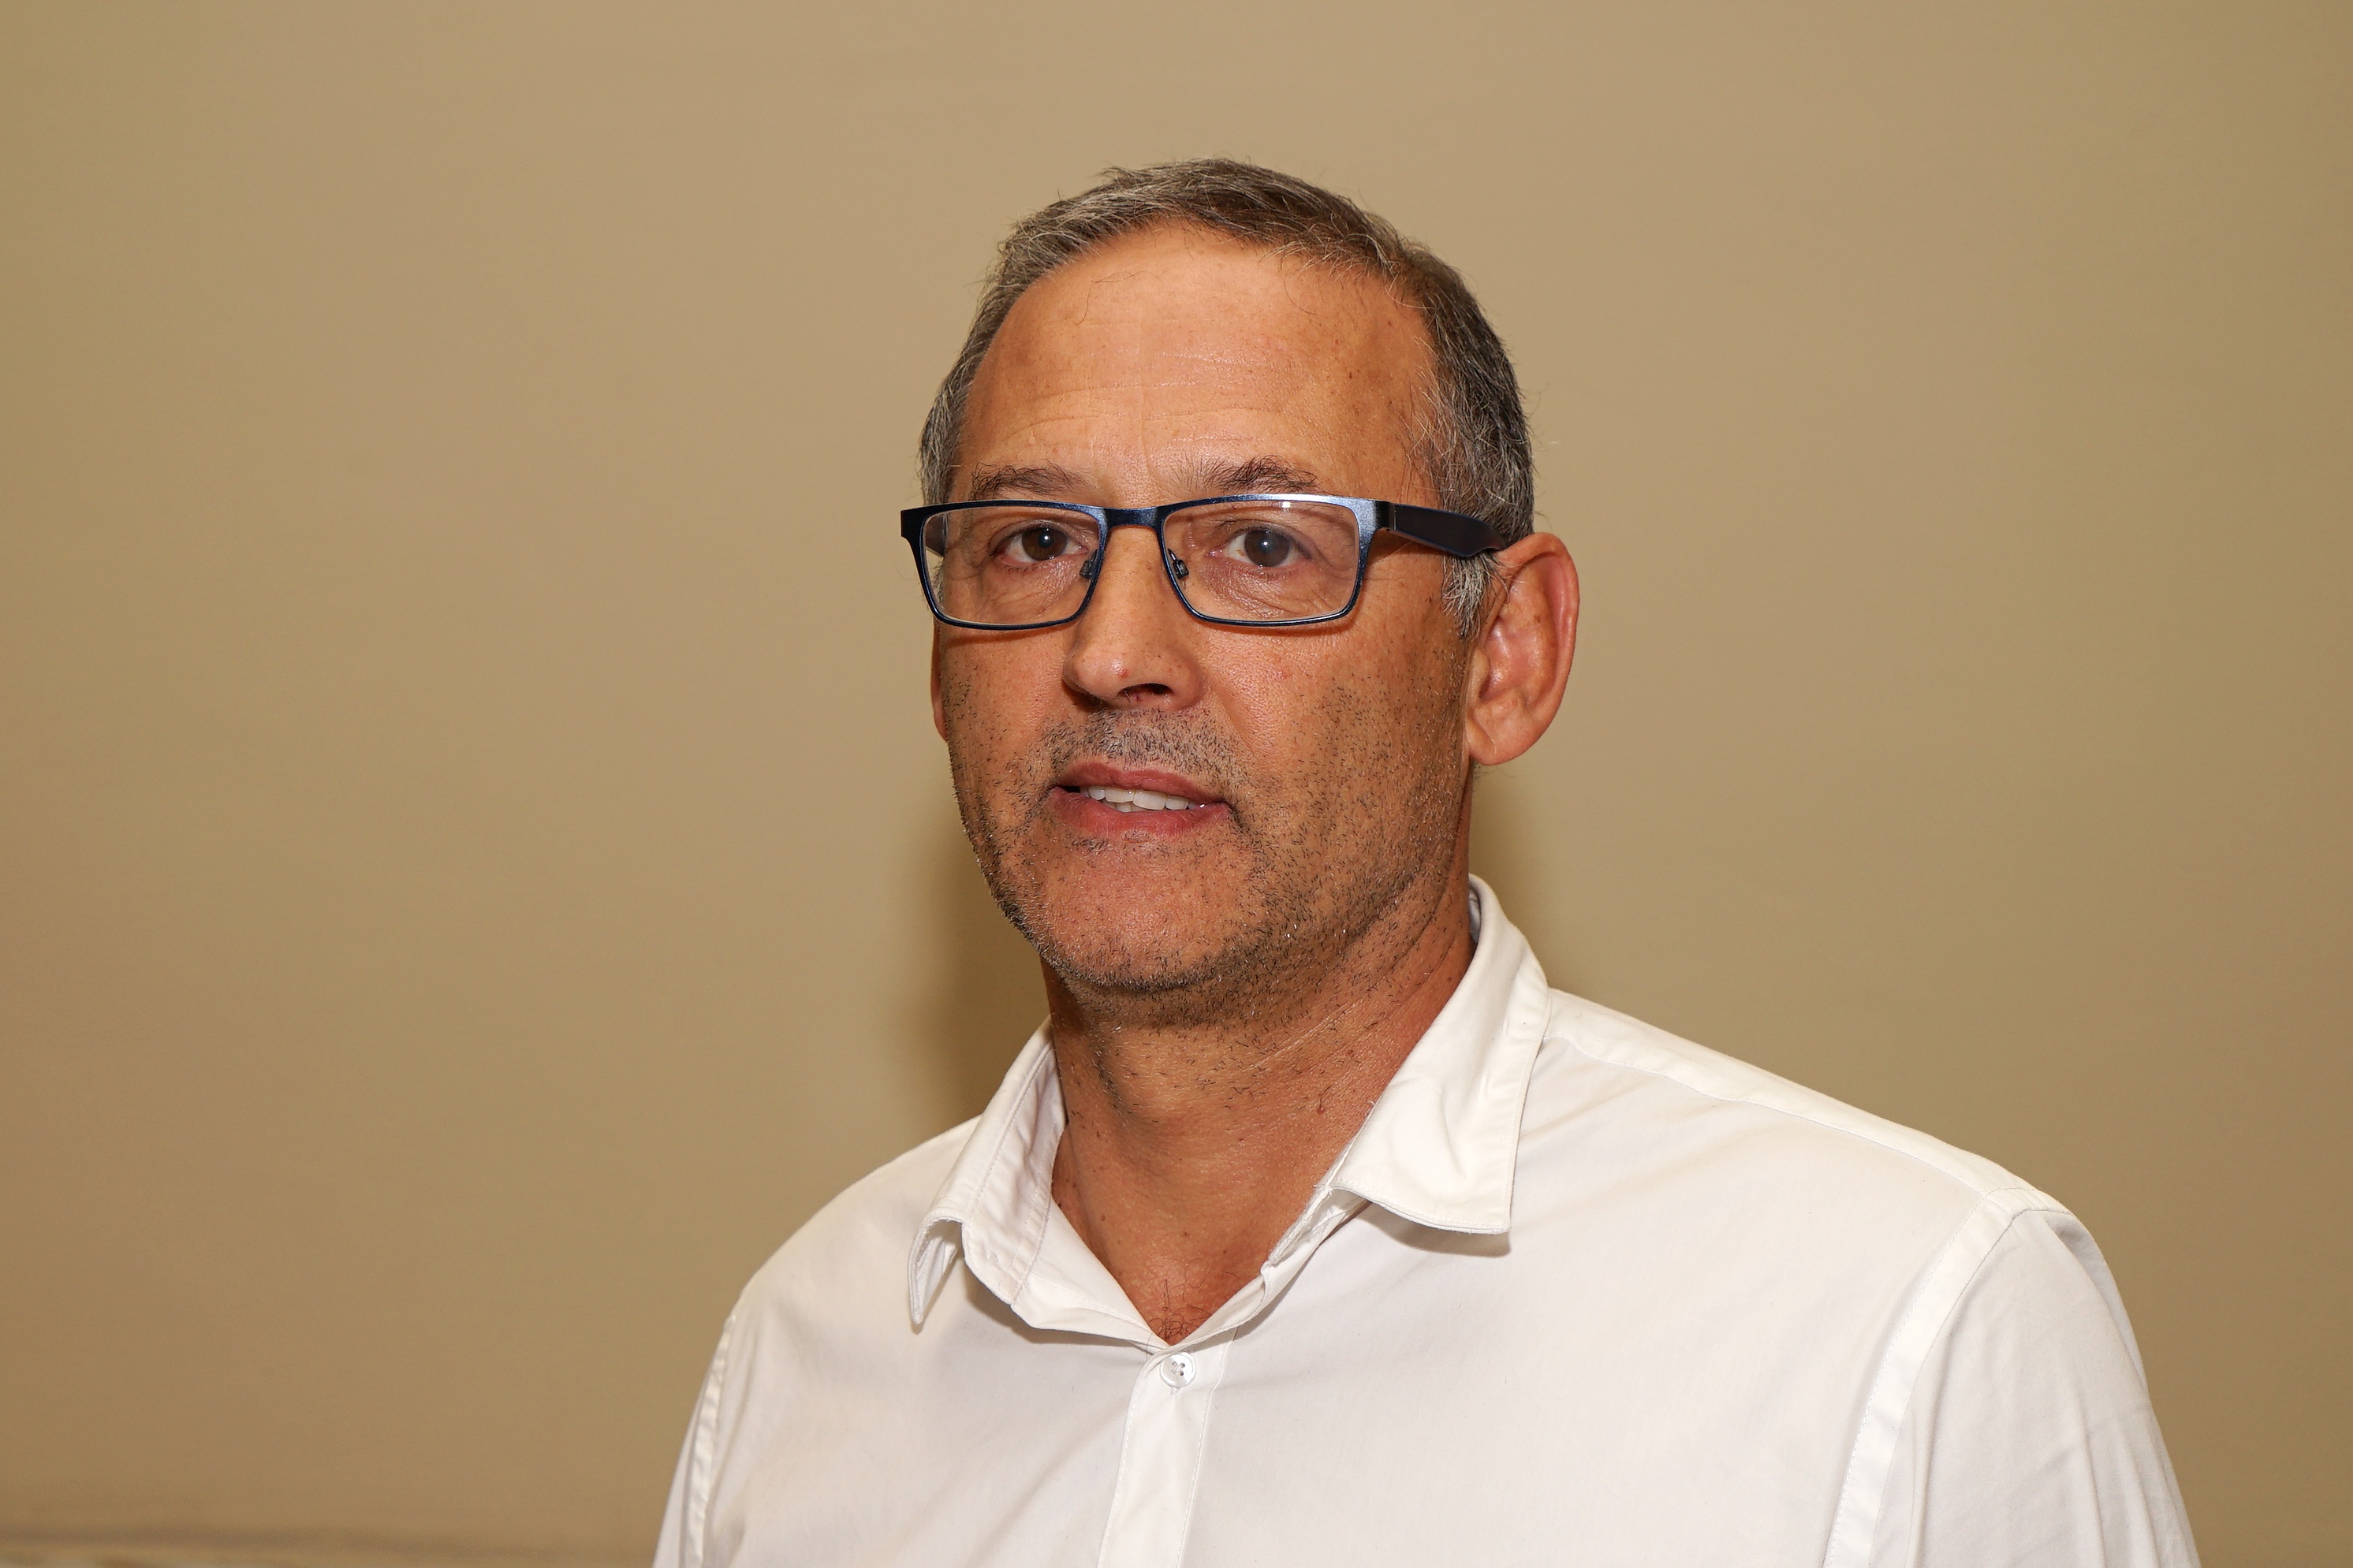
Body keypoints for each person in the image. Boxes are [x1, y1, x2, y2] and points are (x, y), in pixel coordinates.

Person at [652, 160, 2197, 1568]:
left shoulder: (1906, 1334)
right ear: (942, 667)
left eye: (1264, 544)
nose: (1113, 651)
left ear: (1503, 655)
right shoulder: (805, 1357)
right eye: (1034, 542)